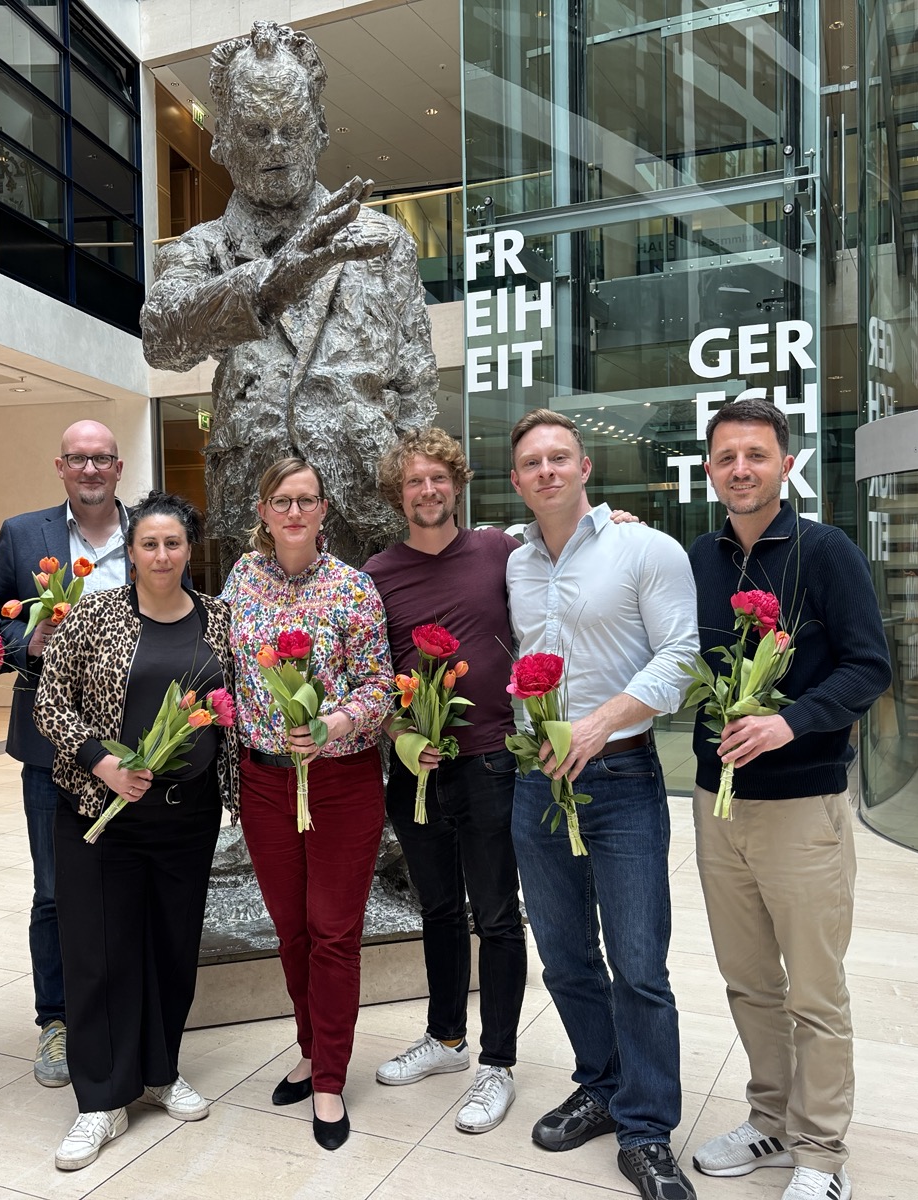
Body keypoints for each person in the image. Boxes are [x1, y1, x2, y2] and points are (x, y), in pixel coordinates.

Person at [686, 398, 890, 1200]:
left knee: (814, 991)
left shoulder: (825, 550)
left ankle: (821, 1153)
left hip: (803, 805)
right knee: (747, 982)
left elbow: (869, 667)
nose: (741, 469)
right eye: (727, 457)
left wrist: (790, 722)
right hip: (718, 807)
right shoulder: (697, 559)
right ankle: (769, 1117)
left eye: (757, 455)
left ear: (786, 465)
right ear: (709, 469)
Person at [140, 20, 437, 564]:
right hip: (253, 520)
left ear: (319, 130)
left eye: (292, 128)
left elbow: (415, 383)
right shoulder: (202, 248)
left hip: (370, 513)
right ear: (223, 142)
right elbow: (162, 337)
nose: (276, 146)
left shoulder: (383, 239)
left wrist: (414, 497)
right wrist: (268, 285)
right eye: (256, 131)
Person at [504, 408, 700, 1200]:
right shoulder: (511, 559)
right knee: (564, 957)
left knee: (639, 964)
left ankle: (647, 1130)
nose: (547, 471)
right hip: (536, 782)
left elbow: (681, 656)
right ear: (517, 481)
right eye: (533, 463)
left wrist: (598, 722)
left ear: (586, 467)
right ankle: (603, 1083)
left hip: (620, 779)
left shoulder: (645, 548)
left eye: (560, 457)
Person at [29, 491, 237, 1171]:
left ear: (189, 549)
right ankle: (100, 1099)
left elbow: (229, 709)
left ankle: (159, 1071)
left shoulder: (218, 619)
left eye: (173, 543)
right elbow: (49, 701)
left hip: (187, 816)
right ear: (132, 550)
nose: (161, 555)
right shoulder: (95, 616)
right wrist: (102, 760)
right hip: (100, 812)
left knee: (173, 949)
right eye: (149, 543)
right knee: (99, 952)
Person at [220, 456, 394, 1151]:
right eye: (282, 501)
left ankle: (329, 1077)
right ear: (263, 511)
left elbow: (379, 684)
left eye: (307, 500)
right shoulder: (241, 581)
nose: (294, 512)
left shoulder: (353, 588)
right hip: (265, 781)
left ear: (324, 510)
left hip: (341, 779)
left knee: (332, 931)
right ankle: (309, 1047)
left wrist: (336, 722)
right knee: (290, 930)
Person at [362, 428, 527, 1135]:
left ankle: (498, 1062)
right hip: (417, 772)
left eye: (437, 478)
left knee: (497, 914)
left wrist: (611, 522)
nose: (427, 491)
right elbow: (369, 675)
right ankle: (447, 1038)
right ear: (397, 495)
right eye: (413, 482)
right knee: (437, 909)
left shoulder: (500, 551)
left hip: (491, 761)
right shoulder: (377, 573)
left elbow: (564, 573)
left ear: (456, 483)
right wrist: (396, 735)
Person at [0, 419, 129, 1089]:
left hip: (132, 747)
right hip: (50, 748)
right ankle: (57, 1019)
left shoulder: (149, 534)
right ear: (60, 466)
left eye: (101, 459)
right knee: (53, 890)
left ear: (119, 467)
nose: (90, 469)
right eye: (78, 459)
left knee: (127, 885)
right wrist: (30, 641)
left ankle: (124, 1009)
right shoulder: (23, 535)